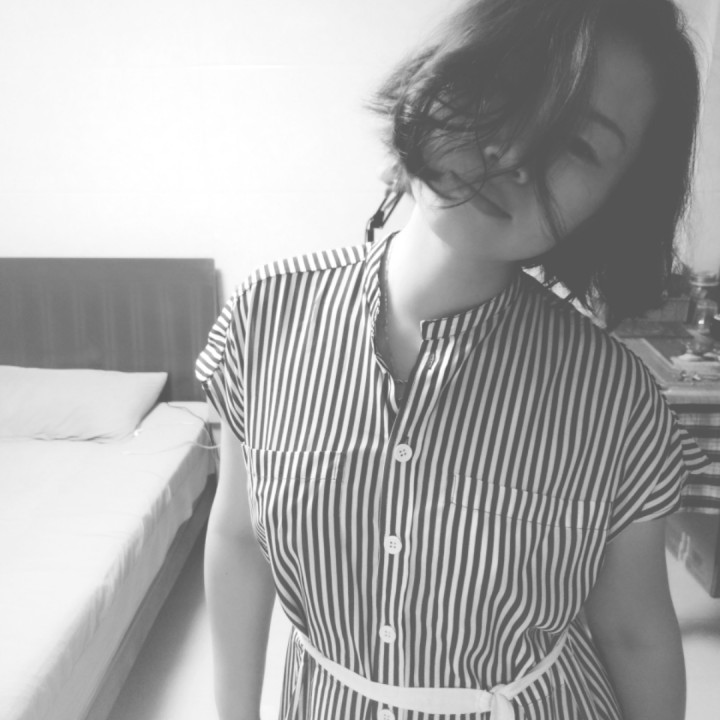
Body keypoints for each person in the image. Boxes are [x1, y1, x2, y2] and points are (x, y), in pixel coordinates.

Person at [196, 0, 710, 718]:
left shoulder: (615, 398)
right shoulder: (266, 316)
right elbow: (239, 540)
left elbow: (634, 632)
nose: (516, 152)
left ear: (615, 202)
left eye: (579, 144)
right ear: (445, 72)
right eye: (508, 86)